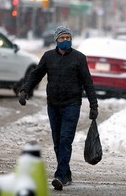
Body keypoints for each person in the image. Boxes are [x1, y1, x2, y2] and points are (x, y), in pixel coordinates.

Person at [18, 25, 98, 191]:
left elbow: (88, 82)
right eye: (62, 38)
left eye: (68, 38)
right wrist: (25, 90)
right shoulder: (48, 57)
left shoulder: (79, 58)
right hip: (53, 105)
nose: (66, 40)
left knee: (65, 140)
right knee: (57, 142)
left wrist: (93, 105)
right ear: (56, 40)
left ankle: (60, 176)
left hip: (72, 105)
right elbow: (36, 75)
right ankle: (66, 173)